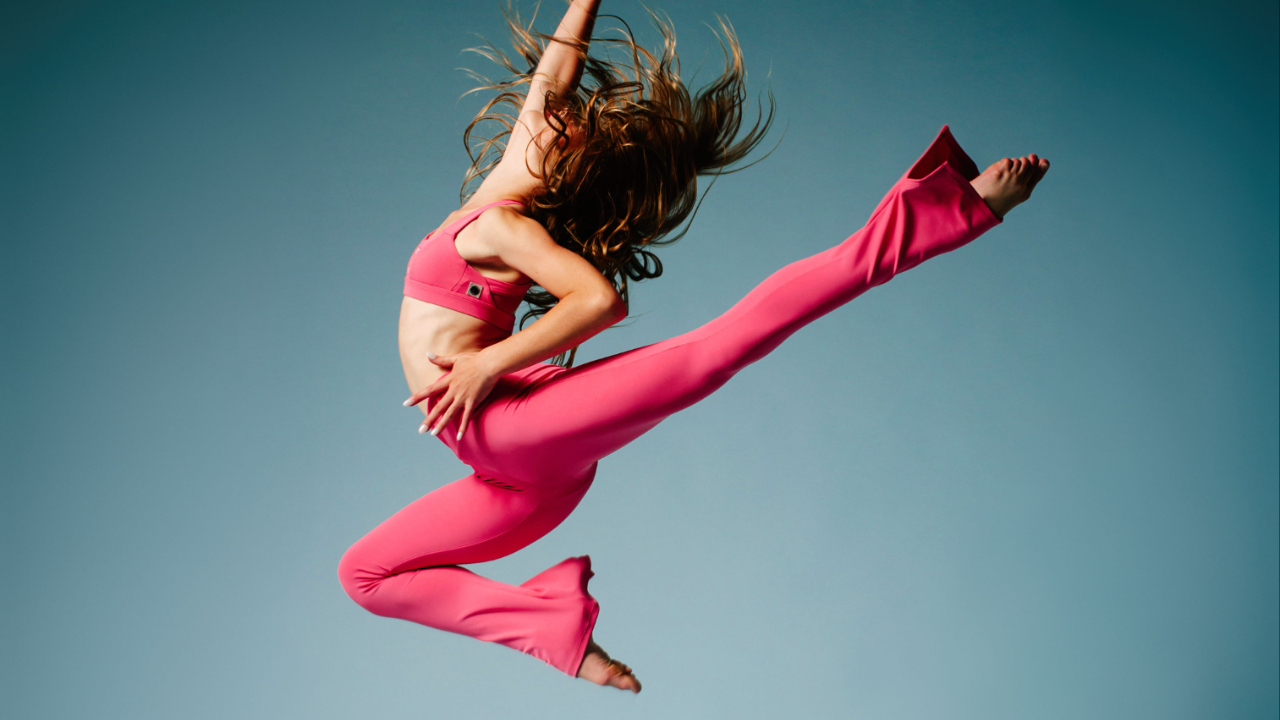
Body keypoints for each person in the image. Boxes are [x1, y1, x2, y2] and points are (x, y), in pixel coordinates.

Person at [338, 0, 1049, 693]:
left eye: (572, 125)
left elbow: (600, 302)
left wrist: (486, 364)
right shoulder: (510, 176)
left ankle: (954, 210)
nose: (559, 116)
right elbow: (553, 77)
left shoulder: (507, 229)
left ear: (573, 165)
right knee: (363, 575)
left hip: (515, 428)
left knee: (722, 346)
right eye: (564, 115)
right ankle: (551, 624)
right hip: (508, 475)